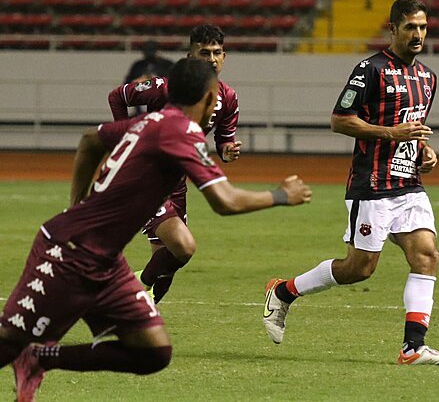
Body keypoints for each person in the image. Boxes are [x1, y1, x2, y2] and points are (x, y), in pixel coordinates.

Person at [0, 58, 312, 401]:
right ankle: (25, 352)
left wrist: (78, 203)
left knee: (153, 352)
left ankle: (38, 358)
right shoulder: (182, 131)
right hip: (69, 252)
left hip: (107, 262)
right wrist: (282, 195)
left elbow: (91, 140)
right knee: (6, 343)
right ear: (209, 99)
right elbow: (225, 201)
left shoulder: (152, 120)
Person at [262, 0, 439, 366]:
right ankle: (284, 291)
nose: (418, 34)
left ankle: (413, 348)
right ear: (393, 29)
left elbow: (411, 127)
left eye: (422, 27)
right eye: (410, 27)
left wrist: (423, 150)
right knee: (359, 269)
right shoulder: (370, 70)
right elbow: (340, 120)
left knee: (427, 255)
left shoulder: (428, 78)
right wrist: (391, 134)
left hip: (409, 184)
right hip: (371, 185)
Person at [109, 25, 242, 303]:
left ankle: (136, 318)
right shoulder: (162, 87)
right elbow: (118, 96)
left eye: (217, 53)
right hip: (145, 178)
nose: (211, 59)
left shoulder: (227, 97)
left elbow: (225, 140)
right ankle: (130, 289)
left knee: (167, 267)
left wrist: (227, 151)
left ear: (224, 56)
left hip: (176, 181)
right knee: (182, 247)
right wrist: (123, 136)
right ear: (190, 55)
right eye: (204, 52)